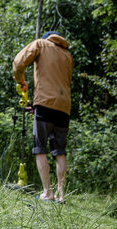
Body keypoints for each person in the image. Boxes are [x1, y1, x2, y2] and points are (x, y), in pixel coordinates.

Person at [13, 31, 74, 203]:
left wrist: (20, 81)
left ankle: (48, 193)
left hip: (45, 103)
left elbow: (18, 62)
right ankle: (61, 196)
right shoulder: (68, 55)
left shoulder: (40, 44)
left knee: (40, 148)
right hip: (64, 106)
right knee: (59, 151)